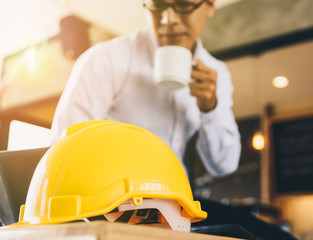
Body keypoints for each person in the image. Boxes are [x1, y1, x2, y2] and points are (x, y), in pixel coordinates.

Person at [51, 0, 241, 178]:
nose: (168, 19)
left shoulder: (217, 73)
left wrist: (210, 108)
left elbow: (224, 165)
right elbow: (64, 149)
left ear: (209, 5)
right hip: (113, 195)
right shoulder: (104, 59)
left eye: (183, 4)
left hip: (175, 195)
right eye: (157, 5)